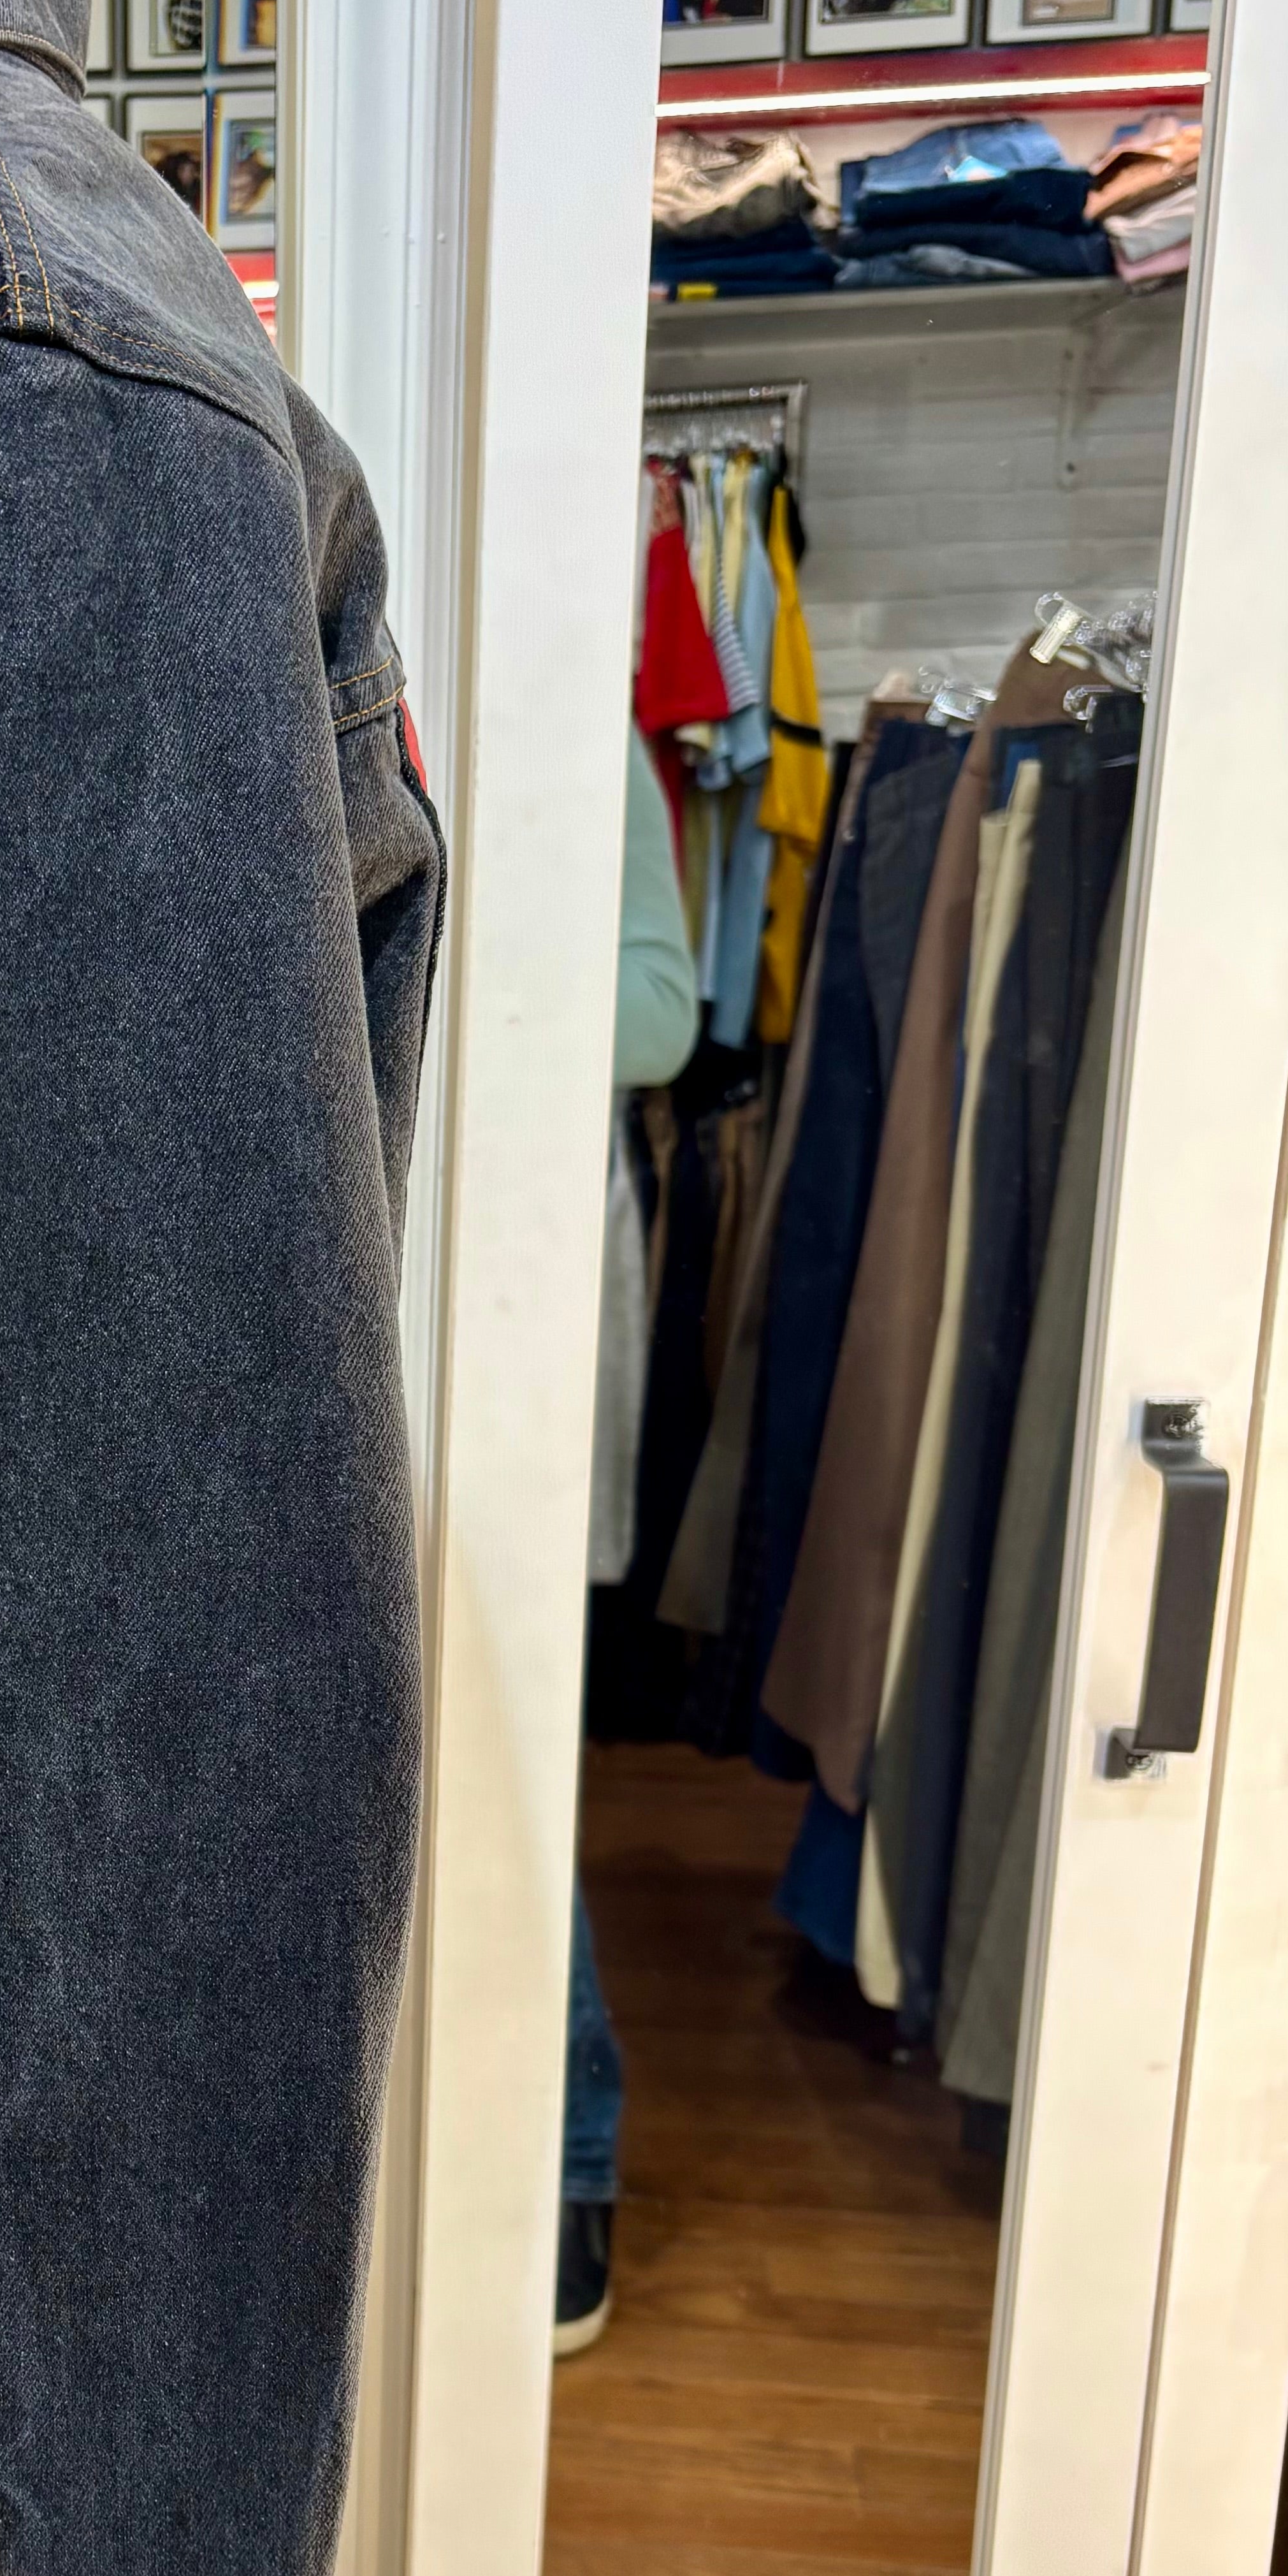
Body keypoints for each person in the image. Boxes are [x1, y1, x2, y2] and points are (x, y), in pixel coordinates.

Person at [561, 727, 697, 2357]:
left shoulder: (581, 742)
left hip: (521, 1278)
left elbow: (664, 1014)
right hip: (346, 1265)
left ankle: (568, 2158)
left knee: (506, 1743)